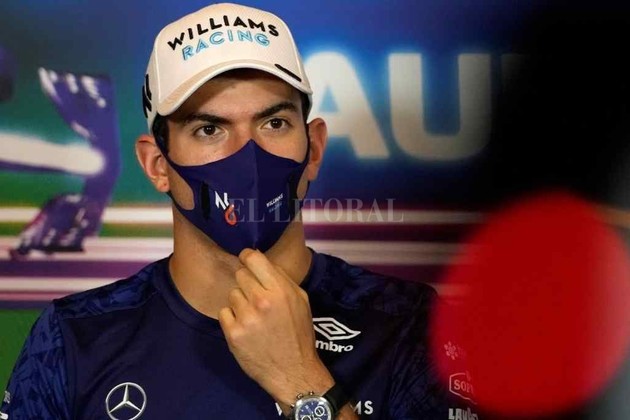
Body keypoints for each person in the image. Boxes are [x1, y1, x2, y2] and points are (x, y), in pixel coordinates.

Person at [0, 3, 477, 419]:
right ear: (157, 165)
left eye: (274, 123)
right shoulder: (75, 338)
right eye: (209, 129)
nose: (248, 156)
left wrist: (302, 382)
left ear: (313, 148)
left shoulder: (411, 324)